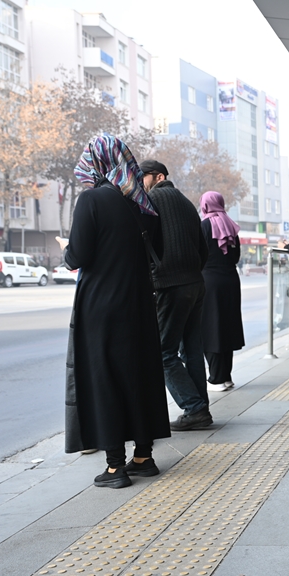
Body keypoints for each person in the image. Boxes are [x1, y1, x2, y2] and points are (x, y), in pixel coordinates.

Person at [63, 135, 170, 489]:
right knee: (139, 374)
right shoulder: (143, 205)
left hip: (101, 306)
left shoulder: (92, 199)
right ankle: (143, 456)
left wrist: (66, 251)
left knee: (104, 377)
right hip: (139, 304)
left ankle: (114, 467)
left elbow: (78, 256)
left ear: (97, 162)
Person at [140, 161, 212, 430]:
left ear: (158, 176)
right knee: (192, 348)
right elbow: (203, 248)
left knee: (163, 352)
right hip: (195, 282)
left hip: (170, 284)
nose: (140, 181)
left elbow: (144, 241)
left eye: (143, 176)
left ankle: (194, 408)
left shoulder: (150, 200)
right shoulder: (186, 202)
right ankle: (200, 408)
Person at [199, 191, 245, 390]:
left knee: (211, 328)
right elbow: (235, 257)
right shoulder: (232, 227)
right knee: (227, 326)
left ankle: (216, 378)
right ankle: (226, 376)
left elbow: (198, 254)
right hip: (231, 280)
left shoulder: (203, 226)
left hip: (210, 281)